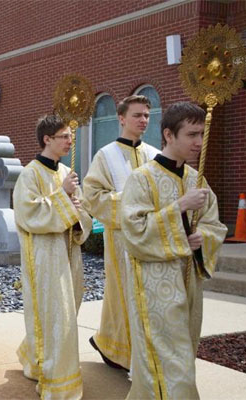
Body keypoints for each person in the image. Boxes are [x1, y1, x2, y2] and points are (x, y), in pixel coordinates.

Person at [121, 102, 227, 399]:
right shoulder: (142, 178)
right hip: (154, 285)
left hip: (189, 282)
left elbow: (214, 225)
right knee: (169, 361)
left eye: (202, 134)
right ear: (168, 134)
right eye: (192, 134)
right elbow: (134, 231)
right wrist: (179, 207)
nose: (199, 142)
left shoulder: (197, 179)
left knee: (181, 356)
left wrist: (201, 238)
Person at [13, 115, 92, 399]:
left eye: (70, 136)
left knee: (67, 314)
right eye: (65, 136)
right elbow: (28, 214)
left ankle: (38, 359)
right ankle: (57, 382)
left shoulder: (65, 172)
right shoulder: (30, 174)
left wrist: (77, 209)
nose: (70, 141)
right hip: (44, 258)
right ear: (47, 139)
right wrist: (63, 196)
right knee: (55, 315)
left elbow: (80, 216)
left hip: (69, 254)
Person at [81, 95, 160, 371]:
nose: (143, 121)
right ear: (122, 118)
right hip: (121, 238)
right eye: (137, 115)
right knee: (123, 294)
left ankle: (125, 348)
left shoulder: (154, 155)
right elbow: (92, 197)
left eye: (147, 116)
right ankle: (119, 350)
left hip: (151, 237)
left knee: (148, 296)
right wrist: (131, 203)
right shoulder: (106, 155)